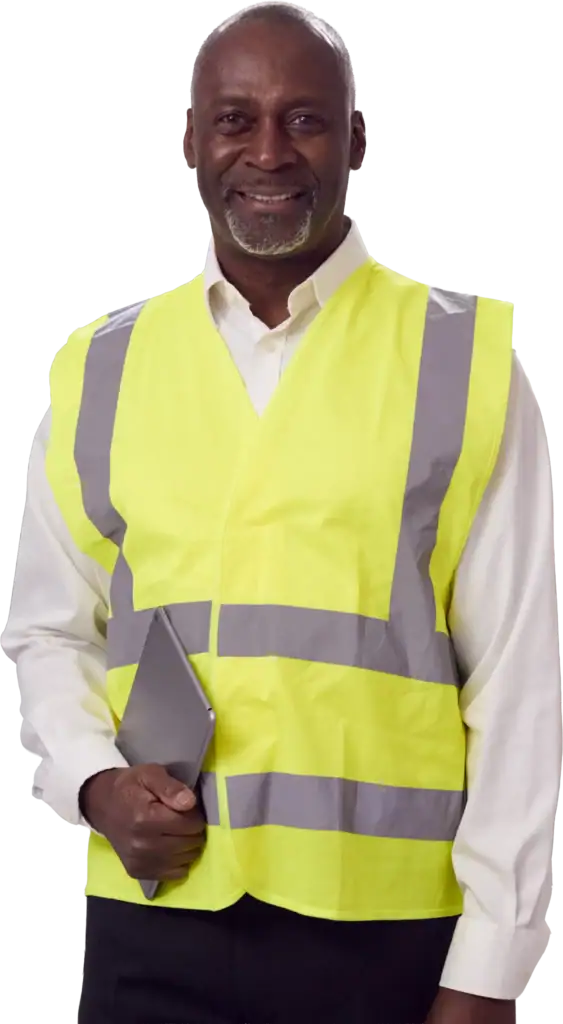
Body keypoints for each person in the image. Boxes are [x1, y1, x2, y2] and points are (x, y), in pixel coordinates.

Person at [4, 5, 561, 1023]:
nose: (266, 151)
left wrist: (491, 968)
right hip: (151, 916)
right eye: (233, 119)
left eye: (303, 120)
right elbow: (49, 630)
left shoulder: (465, 357)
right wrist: (92, 784)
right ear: (188, 141)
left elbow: (520, 682)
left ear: (353, 140)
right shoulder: (100, 364)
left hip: (383, 939)